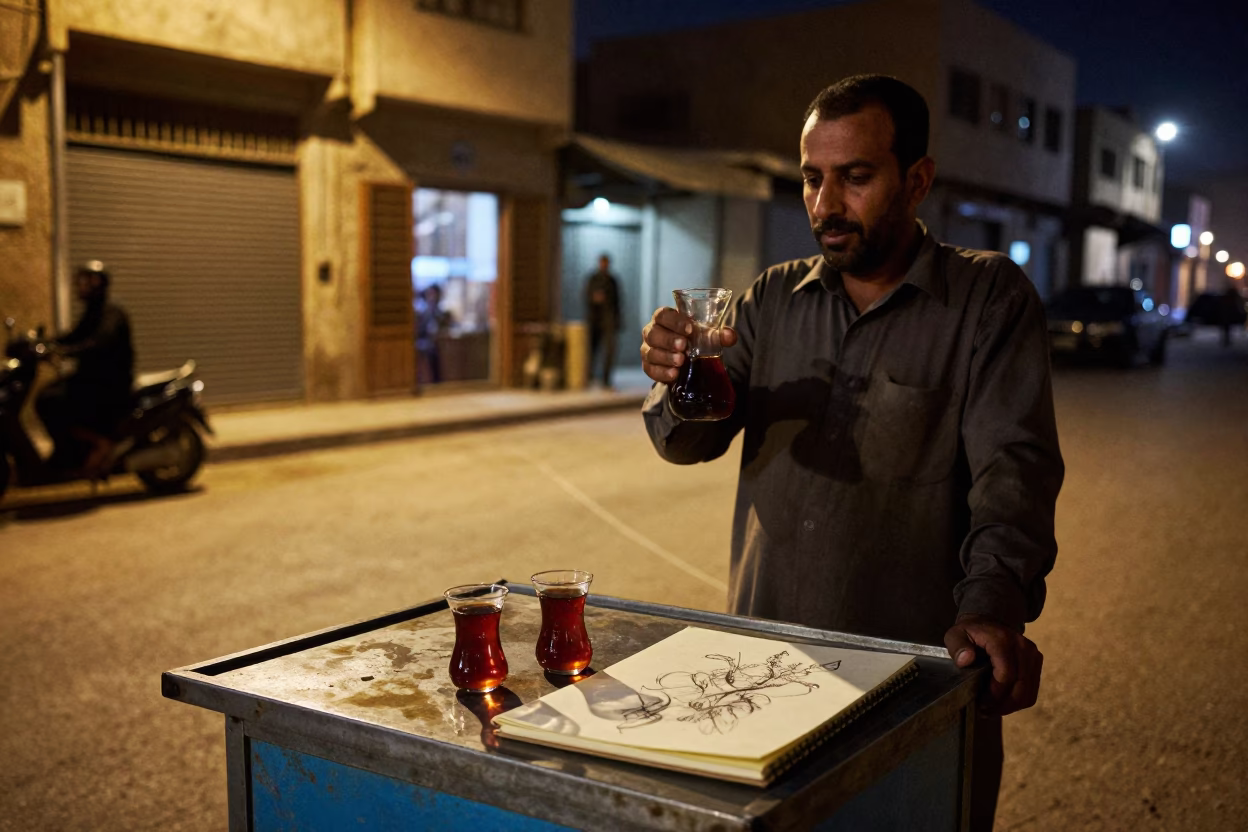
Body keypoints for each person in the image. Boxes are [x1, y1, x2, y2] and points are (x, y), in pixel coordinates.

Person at [639, 75, 1063, 830]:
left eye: (855, 177)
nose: (825, 204)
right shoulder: (771, 298)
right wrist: (675, 381)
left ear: (918, 180)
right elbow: (687, 442)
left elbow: (1015, 473)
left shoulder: (986, 298)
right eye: (812, 178)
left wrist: (992, 607)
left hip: (912, 680)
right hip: (760, 670)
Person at [36, 260, 135, 473]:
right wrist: (47, 343)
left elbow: (99, 342)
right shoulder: (93, 312)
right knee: (48, 396)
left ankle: (100, 443)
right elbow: (74, 335)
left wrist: (67, 351)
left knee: (51, 402)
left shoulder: (111, 313)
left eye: (87, 282)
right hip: (91, 379)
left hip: (108, 384)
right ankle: (68, 452)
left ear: (99, 284)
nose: (81, 287)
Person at [585, 253, 622, 388]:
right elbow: (587, 296)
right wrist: (595, 299)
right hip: (595, 320)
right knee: (592, 350)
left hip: (608, 320)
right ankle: (589, 376)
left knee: (609, 351)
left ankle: (606, 379)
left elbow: (617, 302)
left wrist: (617, 321)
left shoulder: (612, 281)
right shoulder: (593, 279)